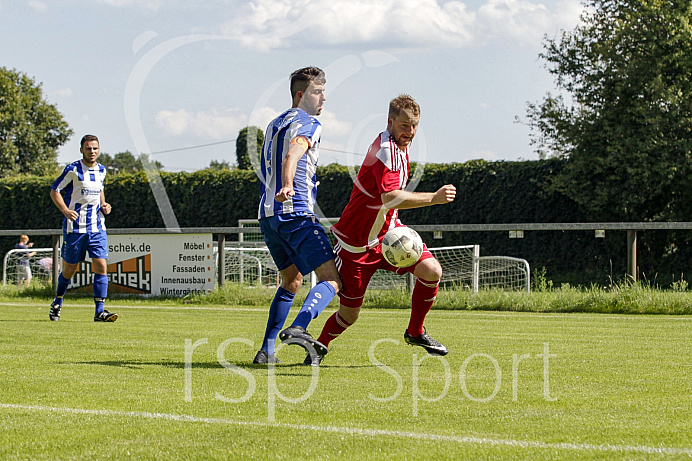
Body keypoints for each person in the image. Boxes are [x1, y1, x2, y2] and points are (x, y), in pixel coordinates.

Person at [313, 94, 456, 365]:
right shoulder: (387, 150)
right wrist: (434, 198)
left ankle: (415, 332)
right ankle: (319, 345)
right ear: (390, 122)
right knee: (350, 314)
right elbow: (389, 197)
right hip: (356, 245)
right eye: (404, 125)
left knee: (432, 271)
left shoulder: (400, 146)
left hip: (389, 234)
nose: (410, 132)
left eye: (414, 126)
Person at [252, 66, 342, 365]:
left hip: (268, 215)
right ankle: (300, 327)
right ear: (301, 95)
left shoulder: (274, 123)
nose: (323, 98)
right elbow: (294, 152)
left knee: (291, 280)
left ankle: (266, 351)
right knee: (331, 279)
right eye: (317, 91)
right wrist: (290, 184)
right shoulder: (309, 123)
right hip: (295, 213)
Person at [48, 134, 118, 322]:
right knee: (70, 269)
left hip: (97, 227)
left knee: (101, 265)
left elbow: (100, 190)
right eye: (88, 148)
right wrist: (65, 210)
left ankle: (100, 311)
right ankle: (57, 302)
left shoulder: (102, 170)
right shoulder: (73, 169)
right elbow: (55, 190)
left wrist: (105, 205)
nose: (92, 151)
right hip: (75, 228)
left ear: (99, 149)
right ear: (81, 150)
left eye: (95, 148)